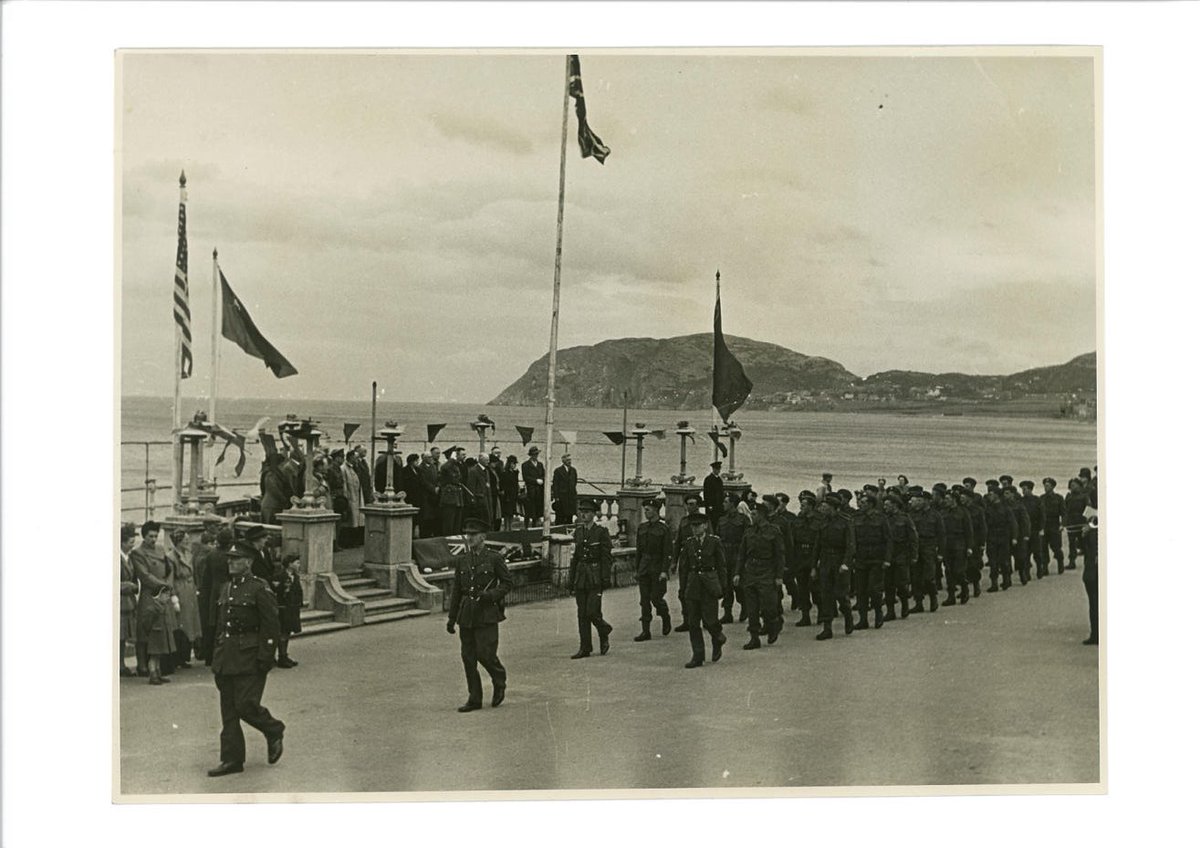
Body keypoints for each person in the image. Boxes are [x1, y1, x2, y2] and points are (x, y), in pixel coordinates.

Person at [206, 539, 285, 777]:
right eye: (229, 559)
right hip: (226, 658)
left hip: (250, 658)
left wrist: (266, 657)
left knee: (246, 705)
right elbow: (220, 626)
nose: (230, 563)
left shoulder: (259, 588)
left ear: (248, 562)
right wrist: (215, 656)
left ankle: (273, 729)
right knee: (229, 712)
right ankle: (232, 759)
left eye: (236, 559)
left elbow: (271, 626)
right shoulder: (226, 588)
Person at [446, 517, 513, 710]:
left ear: (483, 536)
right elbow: (457, 591)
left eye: (473, 534)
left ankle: (499, 679)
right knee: (468, 658)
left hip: (487, 613)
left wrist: (491, 595)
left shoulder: (494, 558)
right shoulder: (462, 561)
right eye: (468, 534)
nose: (469, 537)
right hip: (467, 614)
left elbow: (508, 583)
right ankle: (474, 698)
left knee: (486, 654)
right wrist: (452, 619)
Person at [678, 513, 728, 667]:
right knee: (693, 622)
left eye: (698, 525)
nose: (695, 528)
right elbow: (684, 568)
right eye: (693, 526)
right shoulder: (689, 543)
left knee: (710, 620)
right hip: (693, 585)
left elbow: (721, 566)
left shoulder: (714, 542)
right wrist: (683, 587)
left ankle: (717, 638)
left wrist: (723, 587)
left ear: (705, 526)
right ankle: (698, 655)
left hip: (709, 585)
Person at [131, 520, 177, 685]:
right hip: (150, 597)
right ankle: (151, 671)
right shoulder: (138, 553)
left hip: (162, 596)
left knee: (162, 635)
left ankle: (157, 670)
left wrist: (168, 585)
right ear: (144, 536)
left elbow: (169, 568)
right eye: (150, 536)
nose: (153, 539)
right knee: (152, 635)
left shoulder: (159, 550)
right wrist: (164, 585)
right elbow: (144, 576)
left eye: (156, 536)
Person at [735, 502, 785, 649]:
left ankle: (773, 624)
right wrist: (738, 573)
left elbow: (779, 555)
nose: (751, 516)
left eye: (754, 514)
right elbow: (741, 554)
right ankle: (754, 637)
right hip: (750, 571)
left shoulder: (774, 531)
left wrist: (779, 576)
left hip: (767, 571)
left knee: (769, 605)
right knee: (752, 607)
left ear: (762, 515)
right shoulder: (748, 531)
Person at [568, 499, 613, 659]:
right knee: (582, 614)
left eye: (587, 512)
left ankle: (603, 631)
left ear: (594, 514)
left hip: (595, 576)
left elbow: (606, 558)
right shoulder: (578, 532)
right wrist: (570, 579)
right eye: (581, 511)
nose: (583, 514)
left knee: (592, 611)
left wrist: (605, 578)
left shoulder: (601, 532)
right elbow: (575, 558)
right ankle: (585, 647)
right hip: (581, 576)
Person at [812, 495, 855, 640]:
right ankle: (827, 628)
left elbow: (850, 546)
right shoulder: (822, 522)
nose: (823, 509)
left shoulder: (846, 522)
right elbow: (817, 546)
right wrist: (814, 566)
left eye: (827, 507)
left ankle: (848, 615)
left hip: (839, 561)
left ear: (835, 508)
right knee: (825, 595)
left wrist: (846, 563)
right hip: (825, 561)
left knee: (841, 594)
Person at [851, 491, 892, 630]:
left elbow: (888, 540)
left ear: (870, 504)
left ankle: (878, 614)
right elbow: (852, 540)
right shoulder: (856, 518)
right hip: (861, 558)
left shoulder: (881, 518)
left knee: (874, 589)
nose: (860, 505)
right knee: (861, 590)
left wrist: (887, 559)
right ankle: (863, 619)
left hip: (876, 558)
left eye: (863, 503)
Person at [632, 499, 672, 640]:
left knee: (656, 597)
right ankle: (645, 630)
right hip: (644, 567)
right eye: (645, 509)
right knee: (644, 600)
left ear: (656, 510)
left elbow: (667, 551)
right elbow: (639, 551)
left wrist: (664, 571)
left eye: (648, 509)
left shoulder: (663, 529)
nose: (646, 512)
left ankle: (665, 615)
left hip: (657, 567)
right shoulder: (642, 528)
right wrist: (637, 569)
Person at [198, 527, 234, 665]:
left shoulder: (212, 555)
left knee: (212, 622)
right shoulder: (230, 556)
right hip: (227, 589)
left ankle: (209, 655)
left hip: (213, 590)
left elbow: (206, 577)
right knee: (224, 621)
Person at [168, 528, 202, 668]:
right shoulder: (171, 557)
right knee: (181, 624)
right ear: (178, 541)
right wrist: (173, 596)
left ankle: (184, 657)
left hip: (189, 591)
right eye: (185, 540)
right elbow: (170, 579)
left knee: (189, 624)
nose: (188, 542)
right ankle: (177, 658)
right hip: (181, 591)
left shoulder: (188, 554)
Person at [882, 494, 918, 619]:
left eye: (887, 505)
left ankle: (905, 607)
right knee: (888, 585)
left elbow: (913, 538)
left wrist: (914, 555)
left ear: (895, 505)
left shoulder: (905, 519)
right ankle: (890, 611)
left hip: (902, 554)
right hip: (888, 555)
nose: (885, 507)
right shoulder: (884, 518)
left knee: (902, 584)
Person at [671, 495, 704, 632]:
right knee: (683, 591)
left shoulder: (704, 520)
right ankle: (687, 620)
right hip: (685, 560)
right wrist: (674, 561)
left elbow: (711, 540)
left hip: (699, 559)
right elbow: (678, 542)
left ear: (697, 505)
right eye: (688, 504)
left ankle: (702, 619)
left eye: (692, 504)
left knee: (700, 591)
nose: (689, 507)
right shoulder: (684, 521)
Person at [908, 491, 944, 613]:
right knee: (916, 577)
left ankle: (933, 598)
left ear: (927, 501)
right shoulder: (912, 514)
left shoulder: (935, 515)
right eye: (917, 500)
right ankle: (919, 602)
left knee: (929, 576)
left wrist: (940, 552)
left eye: (920, 500)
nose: (917, 502)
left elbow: (941, 535)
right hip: (916, 547)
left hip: (929, 546)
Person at [716, 493, 749, 624]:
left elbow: (747, 539)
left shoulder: (743, 520)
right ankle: (727, 613)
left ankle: (744, 605)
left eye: (725, 502)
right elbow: (717, 538)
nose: (723, 504)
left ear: (732, 504)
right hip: (724, 555)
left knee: (739, 584)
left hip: (738, 555)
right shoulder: (721, 520)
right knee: (725, 585)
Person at [941, 487, 975, 606]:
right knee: (948, 571)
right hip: (947, 545)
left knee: (958, 570)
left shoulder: (963, 512)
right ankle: (951, 596)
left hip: (959, 544)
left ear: (954, 500)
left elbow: (969, 531)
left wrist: (970, 547)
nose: (945, 501)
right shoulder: (944, 512)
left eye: (948, 499)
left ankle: (964, 588)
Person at [791, 491, 820, 627]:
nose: (801, 507)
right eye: (801, 504)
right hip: (800, 556)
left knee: (816, 587)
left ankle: (822, 614)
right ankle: (805, 616)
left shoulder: (819, 520)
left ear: (811, 506)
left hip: (813, 555)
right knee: (802, 588)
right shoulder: (798, 519)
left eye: (804, 505)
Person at [984, 488, 1018, 592]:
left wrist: (1014, 537)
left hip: (1003, 538)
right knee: (993, 562)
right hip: (992, 538)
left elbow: (1013, 524)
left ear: (997, 496)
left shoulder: (1006, 509)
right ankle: (994, 584)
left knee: (1004, 561)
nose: (989, 496)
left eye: (991, 494)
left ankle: (1006, 580)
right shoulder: (988, 509)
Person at [272, 553, 303, 668]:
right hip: (283, 608)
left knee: (287, 632)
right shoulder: (280, 576)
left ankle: (284, 655)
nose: (299, 565)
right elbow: (276, 592)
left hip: (292, 609)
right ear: (290, 564)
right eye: (297, 562)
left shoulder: (296, 576)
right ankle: (281, 657)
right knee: (282, 633)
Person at [118, 523, 139, 677]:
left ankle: (121, 664)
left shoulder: (128, 557)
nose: (132, 545)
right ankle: (118, 665)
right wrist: (127, 585)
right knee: (118, 635)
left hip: (128, 602)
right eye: (131, 542)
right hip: (120, 602)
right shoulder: (117, 558)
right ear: (123, 542)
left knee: (124, 636)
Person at [1081, 477, 1099, 645]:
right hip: (1092, 569)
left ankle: (1096, 635)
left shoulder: (1094, 522)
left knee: (1095, 602)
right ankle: (1096, 634)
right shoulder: (1093, 522)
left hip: (1093, 570)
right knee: (1095, 602)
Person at [1003, 486, 1032, 585]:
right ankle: (1007, 579)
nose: (1005, 495)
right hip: (1006, 535)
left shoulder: (1019, 505)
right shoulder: (1002, 506)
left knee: (1020, 557)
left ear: (1012, 494)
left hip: (1019, 535)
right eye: (1004, 493)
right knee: (1005, 558)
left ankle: (1022, 573)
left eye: (1007, 493)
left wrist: (1026, 534)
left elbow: (1025, 521)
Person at [1019, 480, 1046, 579]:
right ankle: (1027, 573)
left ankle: (1040, 569)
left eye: (1025, 489)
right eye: (1022, 489)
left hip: (1035, 529)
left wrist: (1041, 528)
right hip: (1025, 530)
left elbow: (1042, 515)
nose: (1023, 491)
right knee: (1025, 553)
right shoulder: (1020, 501)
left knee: (1037, 552)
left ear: (1030, 489)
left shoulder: (1037, 500)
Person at [1041, 477, 1066, 574]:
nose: (1045, 488)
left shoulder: (1059, 498)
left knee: (1056, 547)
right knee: (1043, 547)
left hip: (1054, 525)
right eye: (1045, 486)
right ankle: (1045, 567)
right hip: (1044, 525)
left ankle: (1060, 563)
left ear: (1052, 487)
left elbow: (1063, 512)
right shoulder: (1041, 498)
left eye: (1047, 486)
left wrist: (1062, 524)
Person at [438, 450, 466, 537]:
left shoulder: (456, 466)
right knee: (449, 523)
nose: (463, 457)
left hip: (457, 497)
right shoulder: (447, 466)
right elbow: (445, 468)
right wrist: (451, 459)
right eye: (461, 455)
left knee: (457, 524)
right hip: (449, 497)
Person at [259, 453, 291, 524]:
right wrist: (284, 500)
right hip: (270, 506)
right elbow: (274, 490)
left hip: (276, 506)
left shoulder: (278, 474)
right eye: (282, 464)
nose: (284, 466)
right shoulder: (270, 475)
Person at [1064, 477, 1088, 570]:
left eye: (1074, 485)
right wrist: (1064, 522)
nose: (1072, 487)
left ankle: (1087, 562)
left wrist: (1087, 521)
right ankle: (1072, 561)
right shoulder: (1068, 496)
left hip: (1081, 522)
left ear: (1079, 486)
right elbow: (1065, 509)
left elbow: (1087, 509)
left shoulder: (1084, 496)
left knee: (1084, 543)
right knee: (1072, 543)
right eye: (1071, 485)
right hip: (1071, 523)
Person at [464, 456, 493, 526]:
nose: (488, 462)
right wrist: (473, 500)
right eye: (486, 460)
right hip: (479, 500)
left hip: (487, 499)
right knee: (481, 520)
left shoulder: (486, 471)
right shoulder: (474, 471)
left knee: (487, 519)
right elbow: (471, 487)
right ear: (481, 460)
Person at [521, 446, 546, 528]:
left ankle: (535, 527)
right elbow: (526, 477)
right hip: (530, 491)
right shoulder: (525, 465)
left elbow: (543, 474)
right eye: (534, 454)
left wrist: (542, 480)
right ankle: (526, 527)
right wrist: (536, 481)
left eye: (537, 454)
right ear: (531, 455)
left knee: (537, 510)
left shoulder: (540, 465)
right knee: (529, 510)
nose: (536, 456)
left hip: (539, 491)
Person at [551, 453, 579, 526]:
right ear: (563, 461)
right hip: (562, 497)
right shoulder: (558, 471)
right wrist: (556, 497)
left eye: (570, 460)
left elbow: (574, 482)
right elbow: (555, 485)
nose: (569, 461)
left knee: (569, 517)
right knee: (560, 517)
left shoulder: (573, 470)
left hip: (571, 497)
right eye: (567, 460)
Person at [418, 451, 441, 537]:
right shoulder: (420, 468)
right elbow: (423, 481)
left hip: (434, 496)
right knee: (426, 517)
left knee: (433, 517)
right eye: (429, 457)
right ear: (424, 458)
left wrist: (438, 486)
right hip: (426, 496)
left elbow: (438, 478)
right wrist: (433, 489)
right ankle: (424, 535)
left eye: (431, 457)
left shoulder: (433, 467)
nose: (431, 459)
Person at [498, 455, 521, 531]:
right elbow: (502, 484)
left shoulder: (515, 473)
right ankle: (506, 527)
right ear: (509, 464)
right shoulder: (504, 473)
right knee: (507, 513)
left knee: (511, 513)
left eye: (515, 463)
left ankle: (510, 527)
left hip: (513, 495)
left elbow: (516, 484)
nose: (514, 465)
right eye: (513, 463)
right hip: (507, 495)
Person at [703, 460, 725, 532]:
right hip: (711, 506)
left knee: (718, 522)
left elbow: (721, 493)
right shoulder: (708, 479)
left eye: (719, 469)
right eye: (717, 469)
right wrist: (709, 505)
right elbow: (706, 494)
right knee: (712, 522)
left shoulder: (719, 479)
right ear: (713, 469)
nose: (718, 471)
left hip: (719, 506)